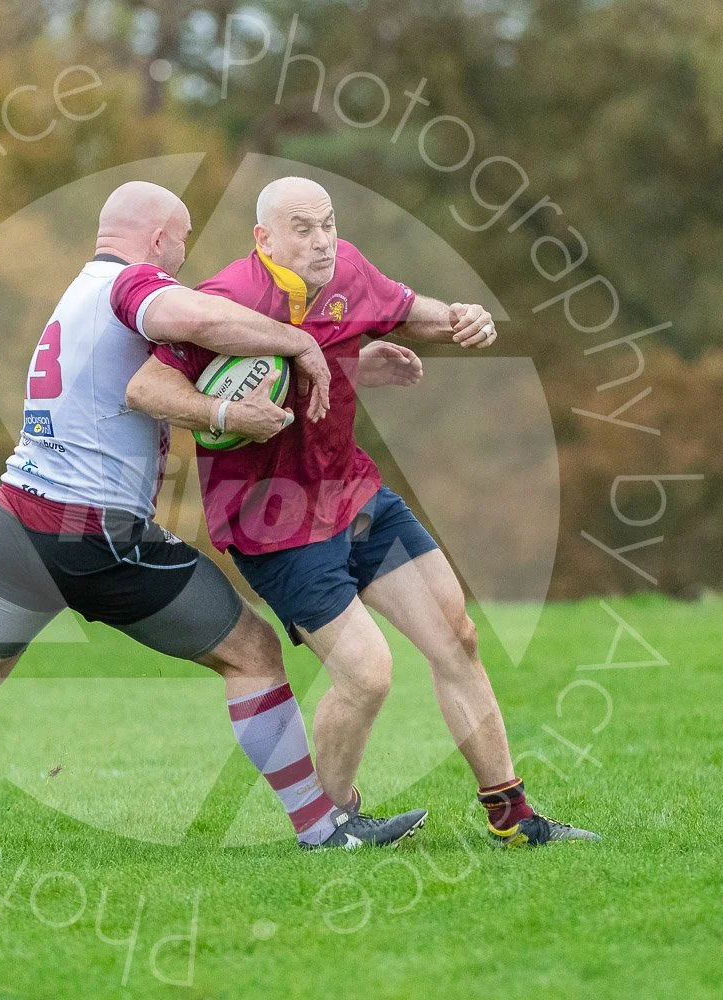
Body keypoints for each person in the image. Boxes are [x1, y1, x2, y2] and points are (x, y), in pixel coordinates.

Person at [0, 181, 428, 855]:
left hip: (17, 519)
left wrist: (340, 358)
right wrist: (298, 342)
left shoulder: (76, 294)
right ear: (159, 239)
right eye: (182, 241)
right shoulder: (132, 284)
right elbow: (198, 319)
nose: (184, 258)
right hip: (95, 533)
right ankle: (321, 830)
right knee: (254, 651)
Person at [126, 177, 600, 847]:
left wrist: (461, 317)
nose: (322, 241)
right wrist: (225, 413)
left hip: (351, 494)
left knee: (457, 634)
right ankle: (332, 823)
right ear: (264, 239)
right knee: (367, 675)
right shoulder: (223, 300)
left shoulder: (345, 268)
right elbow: (146, 387)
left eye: (328, 224)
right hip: (273, 522)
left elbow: (407, 311)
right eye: (303, 229)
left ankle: (512, 816)